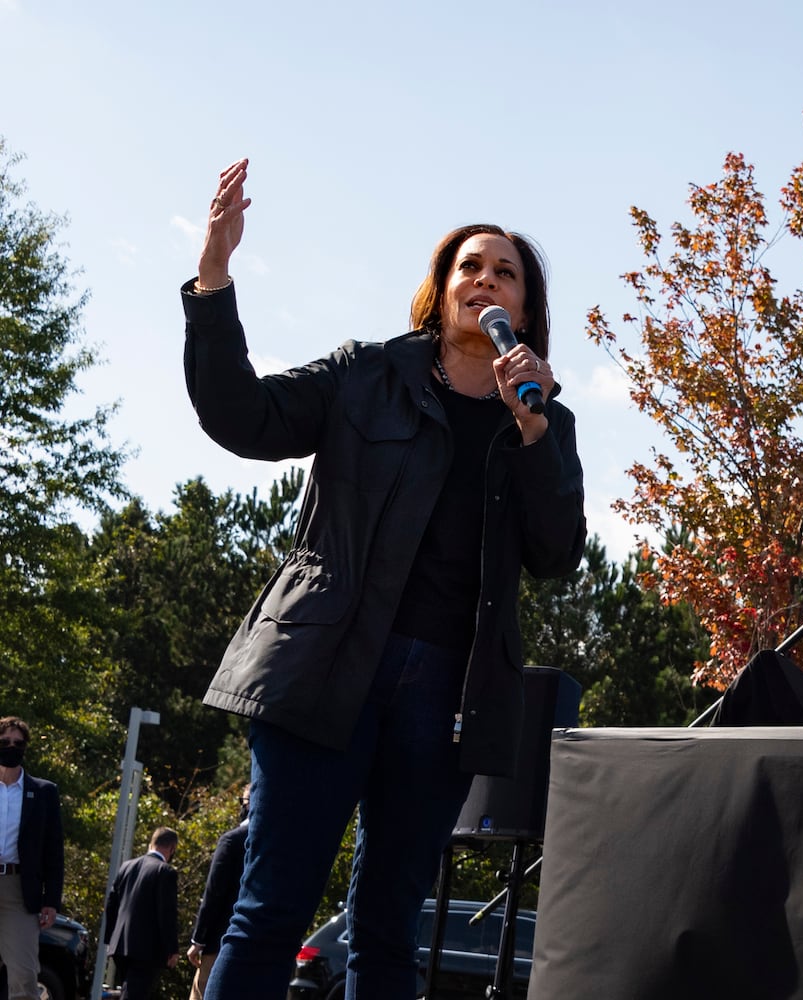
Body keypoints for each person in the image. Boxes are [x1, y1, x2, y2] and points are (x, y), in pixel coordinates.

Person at [182, 158, 586, 1000]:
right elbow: (242, 417)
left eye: (503, 272)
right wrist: (214, 279)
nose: (484, 280)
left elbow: (556, 556)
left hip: (448, 696)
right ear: (440, 291)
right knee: (270, 911)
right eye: (468, 267)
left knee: (388, 932)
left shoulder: (545, 419)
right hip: (327, 663)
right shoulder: (366, 375)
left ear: (525, 308)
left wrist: (534, 432)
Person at [0, 716, 64, 1000]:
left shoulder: (43, 793)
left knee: (24, 975)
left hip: (19, 889)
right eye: (4, 742)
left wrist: (51, 900)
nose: (11, 747)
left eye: (17, 743)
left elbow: (53, 850)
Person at [185, 788, 249, 1000]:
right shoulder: (279, 845)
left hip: (222, 942)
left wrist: (198, 940)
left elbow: (213, 894)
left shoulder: (232, 841)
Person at [103, 828, 179, 1000]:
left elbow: (111, 903)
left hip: (119, 944)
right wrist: (172, 948)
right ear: (172, 848)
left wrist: (111, 938)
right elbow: (166, 913)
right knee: (134, 994)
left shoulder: (127, 866)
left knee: (129, 991)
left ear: (151, 843)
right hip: (145, 949)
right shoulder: (165, 872)